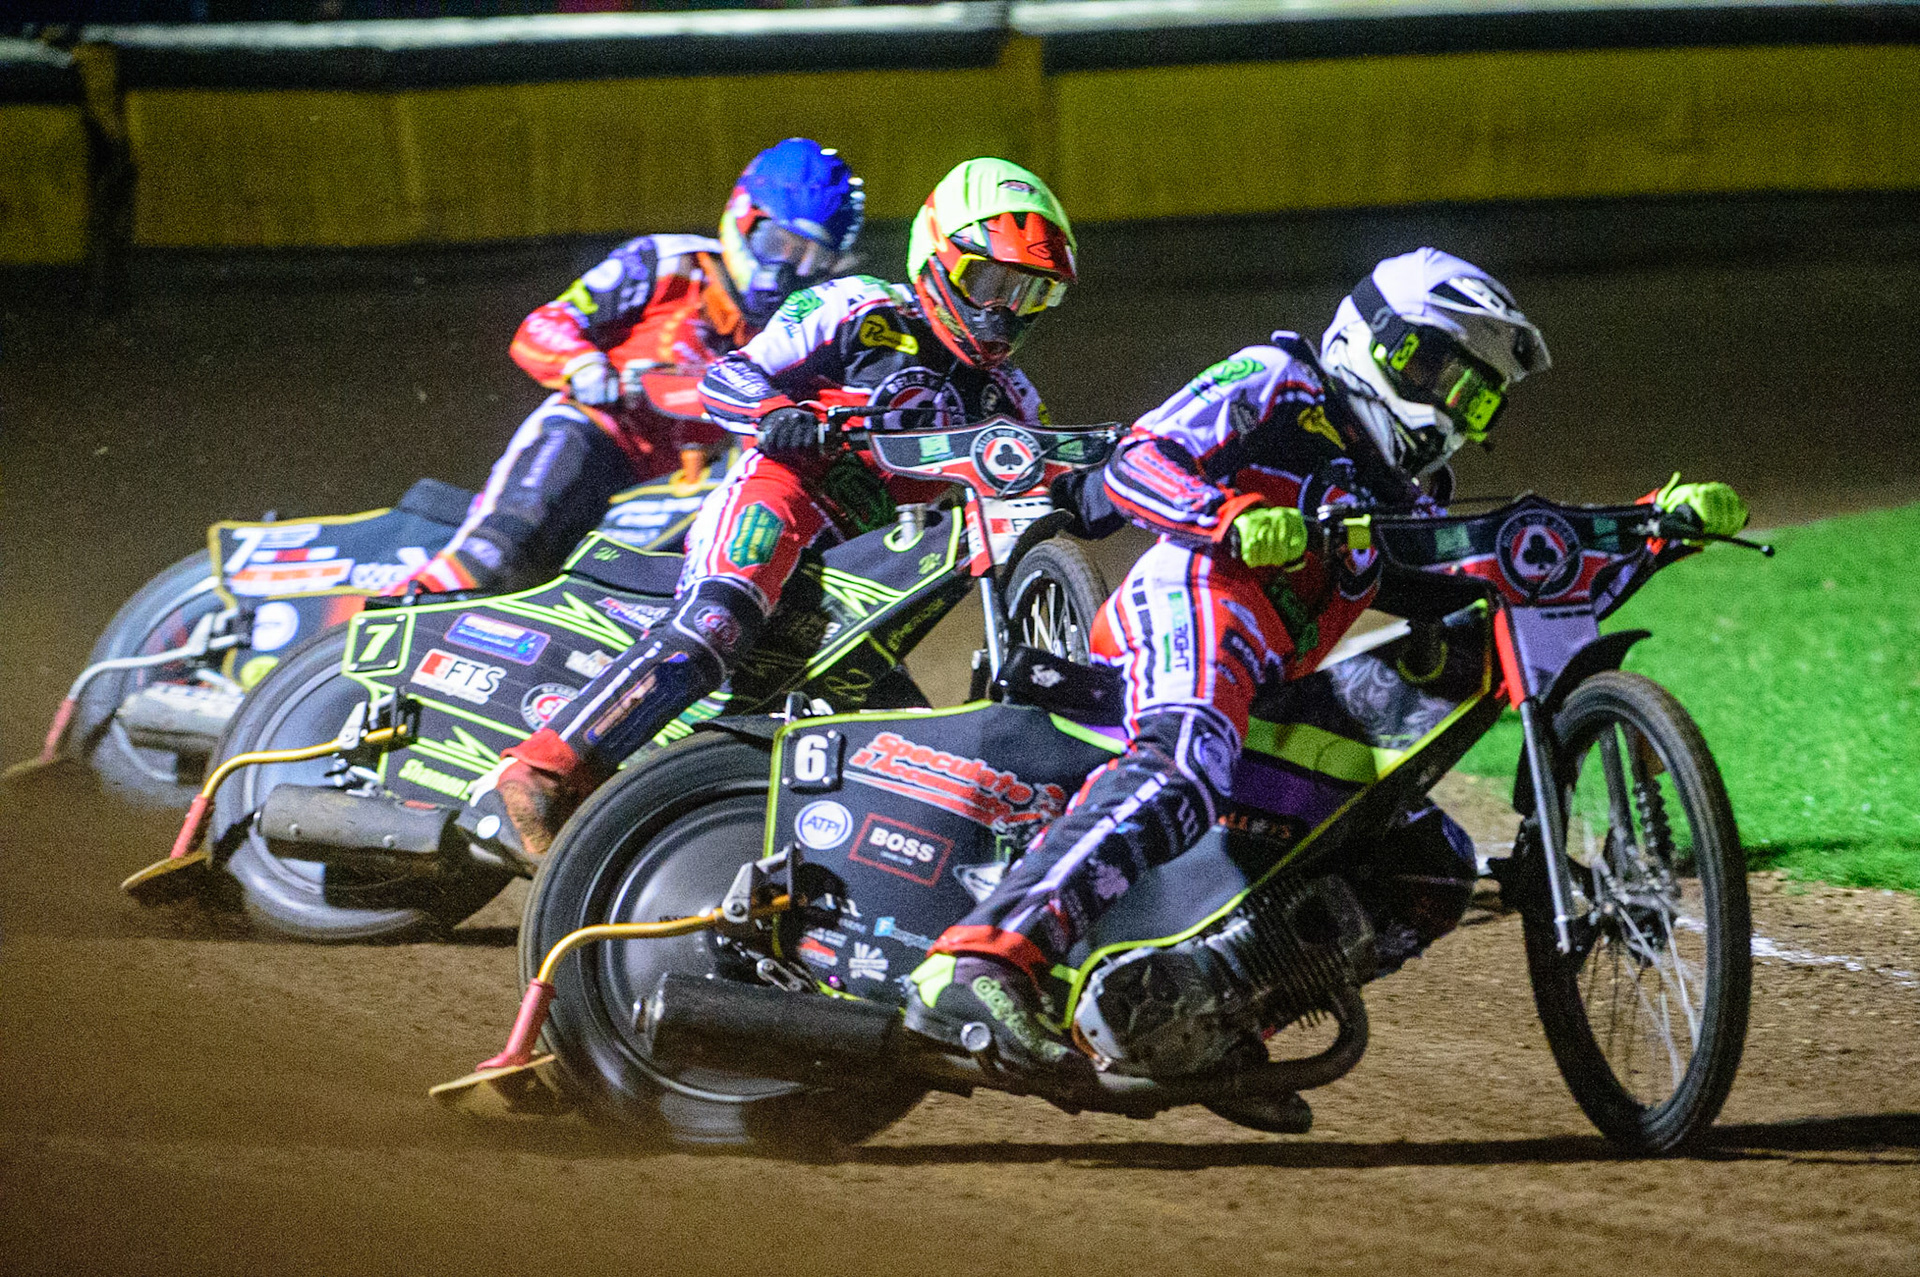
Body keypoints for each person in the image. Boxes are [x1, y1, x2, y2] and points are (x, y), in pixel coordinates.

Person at [904, 247, 1751, 1083]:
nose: (1451, 408)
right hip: (1194, 600)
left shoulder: (1410, 496)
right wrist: (1229, 515)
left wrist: (1651, 531)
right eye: (1441, 374)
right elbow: (1135, 461)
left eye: (1477, 396)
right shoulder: (1277, 378)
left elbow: (1501, 579)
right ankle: (980, 960)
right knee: (1185, 761)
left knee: (1432, 864)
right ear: (1380, 342)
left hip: (1268, 680)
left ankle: (1204, 1012)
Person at [473, 156, 1079, 861]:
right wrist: (773, 413)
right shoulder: (856, 306)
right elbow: (731, 373)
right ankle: (540, 772)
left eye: (1031, 292)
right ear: (938, 257)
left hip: (865, 564)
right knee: (716, 624)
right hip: (782, 494)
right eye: (989, 282)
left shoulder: (1011, 398)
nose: (1004, 309)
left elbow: (1045, 480)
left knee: (902, 733)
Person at [398, 138, 866, 595]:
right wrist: (584, 365)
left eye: (813, 258)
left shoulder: (806, 323)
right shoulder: (666, 262)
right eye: (779, 243)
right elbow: (544, 325)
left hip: (691, 485)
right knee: (502, 548)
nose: (788, 270)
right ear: (744, 217)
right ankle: (429, 593)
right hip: (600, 441)